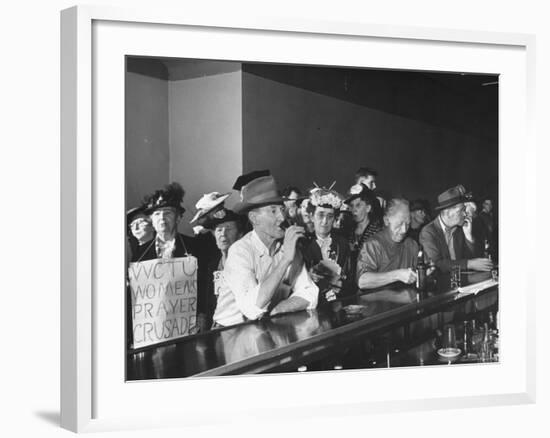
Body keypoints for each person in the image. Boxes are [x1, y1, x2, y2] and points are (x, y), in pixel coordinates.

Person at [220, 172, 319, 326]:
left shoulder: (287, 247)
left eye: (282, 210)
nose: (282, 217)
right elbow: (252, 308)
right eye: (273, 211)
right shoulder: (239, 252)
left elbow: (309, 292)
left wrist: (282, 307)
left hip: (265, 327)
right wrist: (286, 260)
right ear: (254, 218)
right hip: (229, 332)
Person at [190, 192, 244, 331]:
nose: (223, 234)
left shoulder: (246, 262)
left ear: (240, 234)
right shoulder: (212, 264)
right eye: (219, 230)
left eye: (229, 229)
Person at [419, 185, 493, 273]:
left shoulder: (459, 228)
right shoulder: (428, 232)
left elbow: (475, 259)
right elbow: (437, 264)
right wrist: (469, 264)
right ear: (448, 213)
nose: (465, 214)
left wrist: (469, 237)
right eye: (462, 210)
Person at [301, 187, 353, 303]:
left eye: (330, 217)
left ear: (334, 219)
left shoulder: (342, 244)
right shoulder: (302, 245)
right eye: (320, 215)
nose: (325, 221)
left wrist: (341, 284)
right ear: (311, 216)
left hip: (340, 302)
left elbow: (350, 280)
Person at [357, 198, 421, 289]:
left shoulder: (411, 244)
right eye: (399, 224)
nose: (404, 230)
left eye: (407, 224)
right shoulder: (373, 244)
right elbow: (362, 281)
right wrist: (397, 275)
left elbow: (422, 268)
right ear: (386, 220)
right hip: (376, 301)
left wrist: (426, 271)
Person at [130, 182, 197, 262]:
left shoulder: (195, 246)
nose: (162, 217)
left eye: (167, 213)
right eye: (157, 214)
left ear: (178, 218)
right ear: (152, 220)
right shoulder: (141, 253)